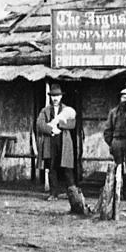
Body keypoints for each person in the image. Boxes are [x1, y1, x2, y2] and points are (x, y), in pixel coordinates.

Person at [35, 83, 87, 214]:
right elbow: (39, 124)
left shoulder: (67, 110)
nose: (55, 98)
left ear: (61, 96)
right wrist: (51, 129)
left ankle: (72, 193)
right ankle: (54, 193)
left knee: (67, 168)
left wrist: (59, 124)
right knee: (51, 167)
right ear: (51, 97)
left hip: (64, 141)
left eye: (57, 95)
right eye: (53, 96)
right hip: (50, 140)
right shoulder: (45, 111)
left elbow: (72, 123)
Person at [102, 86, 126, 199]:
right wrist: (112, 142)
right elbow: (107, 130)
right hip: (117, 142)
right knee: (118, 167)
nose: (125, 100)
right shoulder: (113, 112)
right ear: (120, 98)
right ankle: (118, 192)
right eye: (123, 97)